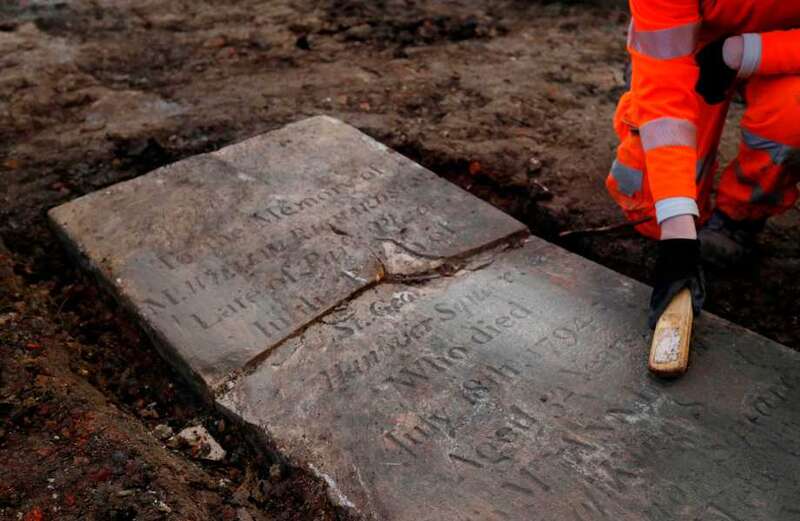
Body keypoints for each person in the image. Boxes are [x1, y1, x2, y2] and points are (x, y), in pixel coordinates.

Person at [607, 1, 800, 327]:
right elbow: (665, 100)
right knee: (652, 210)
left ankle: (739, 217)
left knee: (792, 114)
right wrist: (677, 233)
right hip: (691, 36)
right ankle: (644, 69)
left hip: (790, 42)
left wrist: (745, 52)